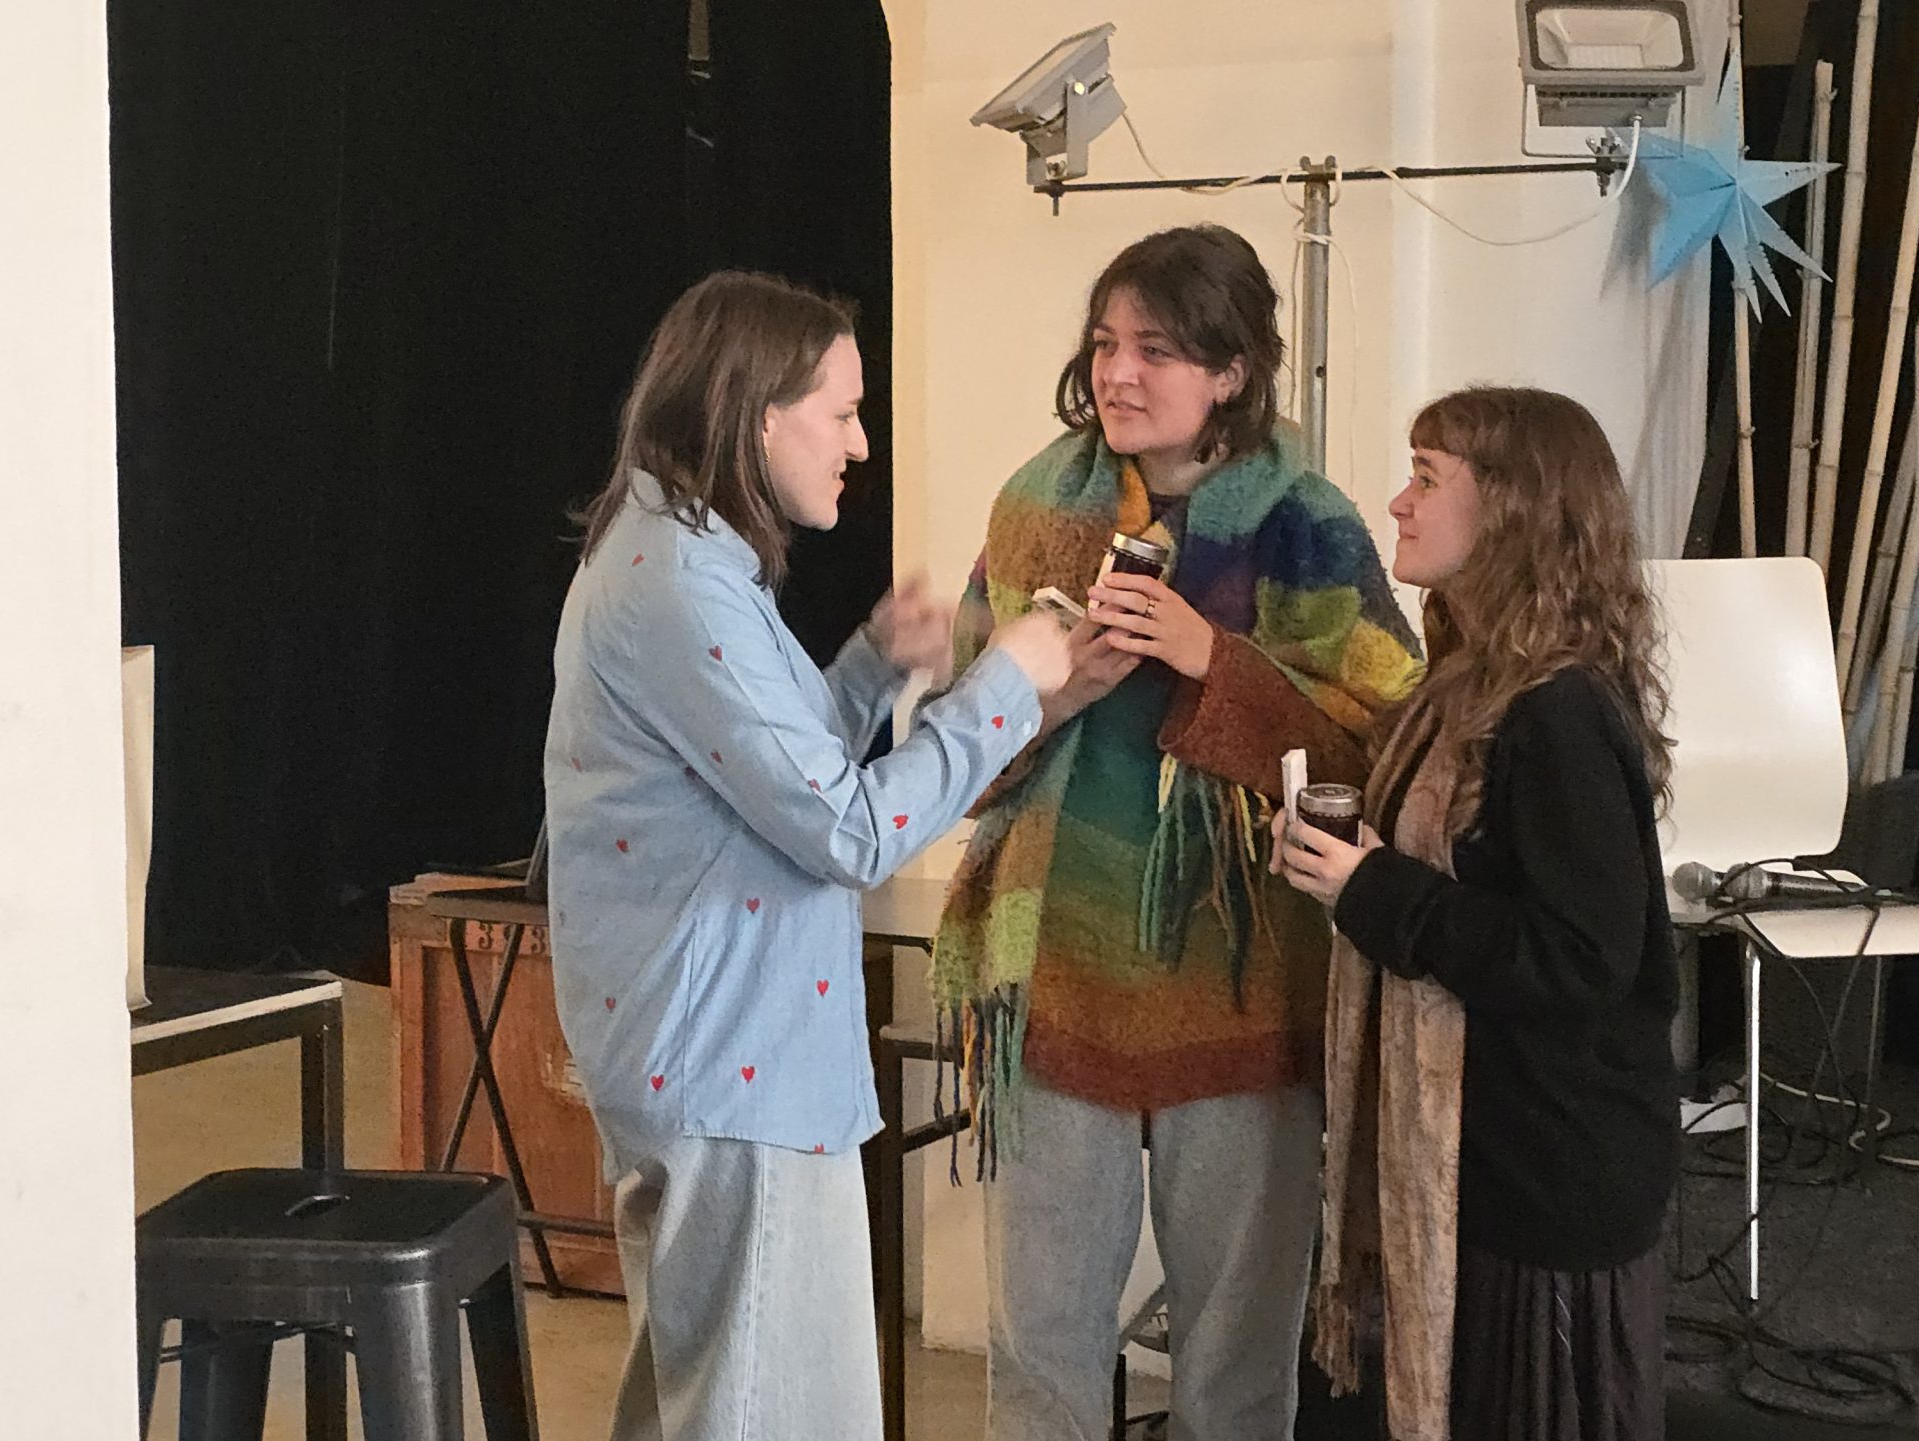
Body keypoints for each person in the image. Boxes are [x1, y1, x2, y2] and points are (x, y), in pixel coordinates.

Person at [545, 270, 1074, 1441]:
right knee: (757, 1416)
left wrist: (874, 666)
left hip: (727, 1056)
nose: (860, 442)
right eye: (841, 411)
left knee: (711, 1403)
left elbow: (762, 787)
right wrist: (1008, 688)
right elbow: (846, 830)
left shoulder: (679, 557)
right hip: (734, 1066)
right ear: (758, 415)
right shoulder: (680, 582)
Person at [933, 224, 1424, 1441]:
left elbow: (1387, 754)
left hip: (1244, 990)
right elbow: (958, 736)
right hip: (1057, 981)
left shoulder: (1308, 524)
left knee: (1235, 1363)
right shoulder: (1034, 507)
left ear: (1231, 370)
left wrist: (1216, 662)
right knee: (1038, 1350)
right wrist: (1061, 692)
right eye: (1105, 343)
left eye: (1155, 349)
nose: (1117, 372)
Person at [1275, 386, 1679, 1441]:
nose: (1397, 503)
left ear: (1511, 508)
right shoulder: (1467, 686)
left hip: (1548, 1173)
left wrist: (1371, 890)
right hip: (1498, 1161)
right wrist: (1344, 866)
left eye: (1427, 477)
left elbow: (1581, 958)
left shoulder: (1556, 711)